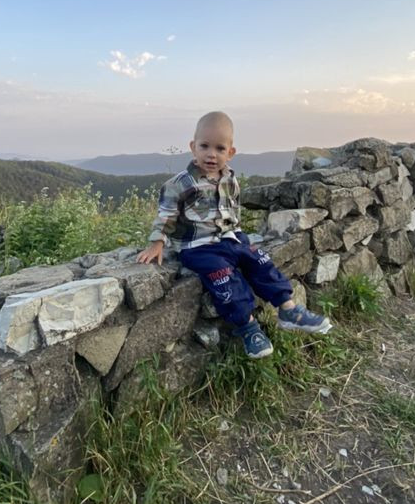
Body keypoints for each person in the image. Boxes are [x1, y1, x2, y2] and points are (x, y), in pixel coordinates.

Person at [136, 111, 333, 358]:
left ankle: (288, 309)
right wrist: (157, 242)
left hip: (230, 238)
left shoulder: (230, 179)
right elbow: (166, 214)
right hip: (198, 246)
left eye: (220, 148)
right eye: (204, 146)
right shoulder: (180, 184)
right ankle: (248, 326)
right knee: (223, 276)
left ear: (230, 153)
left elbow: (231, 210)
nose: (211, 154)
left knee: (260, 260)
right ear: (192, 147)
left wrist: (239, 236)